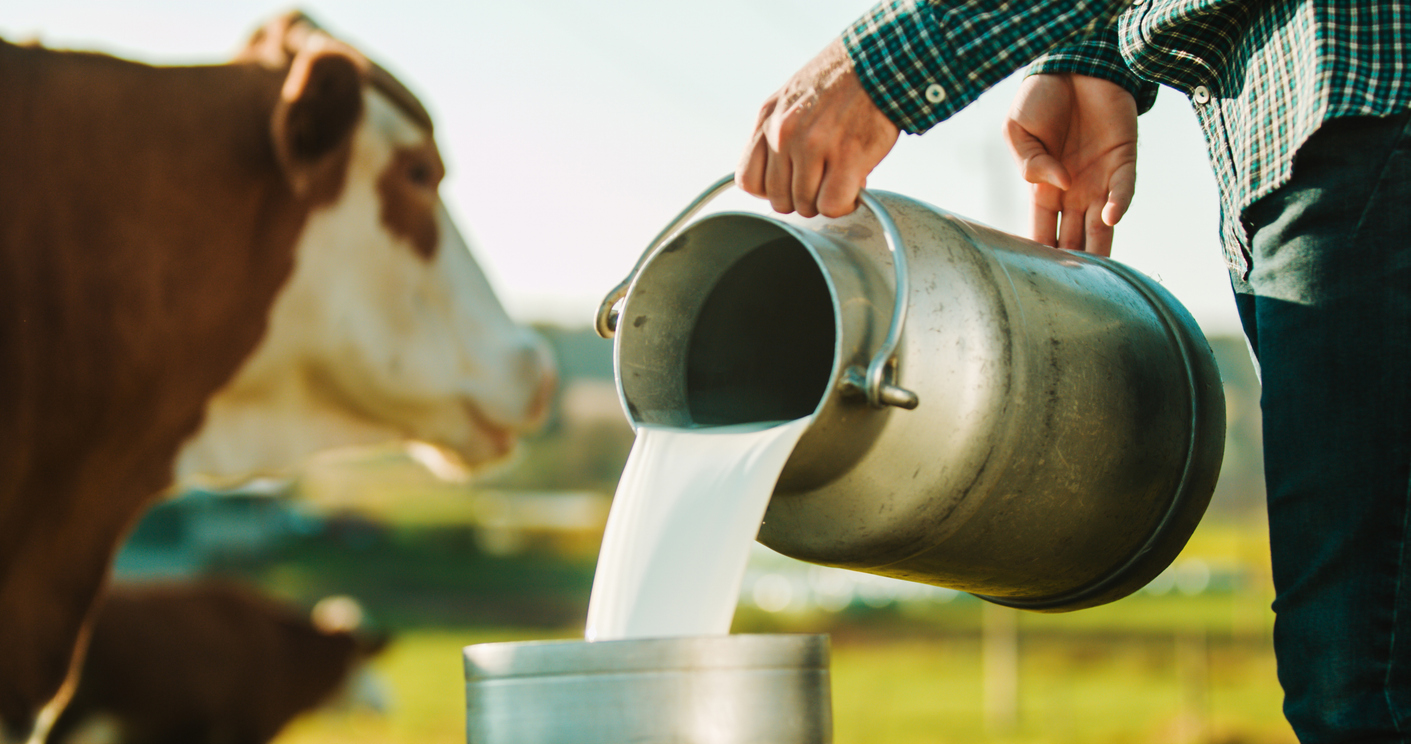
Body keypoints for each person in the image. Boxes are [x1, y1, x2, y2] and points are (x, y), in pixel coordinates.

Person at [736, 2, 1411, 742]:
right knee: (1356, 667)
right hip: (1310, 134)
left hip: (1369, 101)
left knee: (1361, 682)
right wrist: (1095, 57)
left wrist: (878, 68)